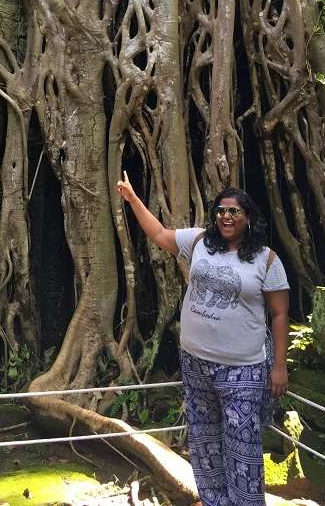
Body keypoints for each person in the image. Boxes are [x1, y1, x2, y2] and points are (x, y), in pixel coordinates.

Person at [116, 172, 289, 506]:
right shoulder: (198, 242)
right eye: (221, 210)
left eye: (234, 211)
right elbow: (159, 234)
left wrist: (279, 366)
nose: (226, 216)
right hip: (196, 363)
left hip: (243, 369)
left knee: (242, 445)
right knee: (204, 439)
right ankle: (214, 501)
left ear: (248, 218)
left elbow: (280, 315)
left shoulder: (266, 259)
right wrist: (132, 198)